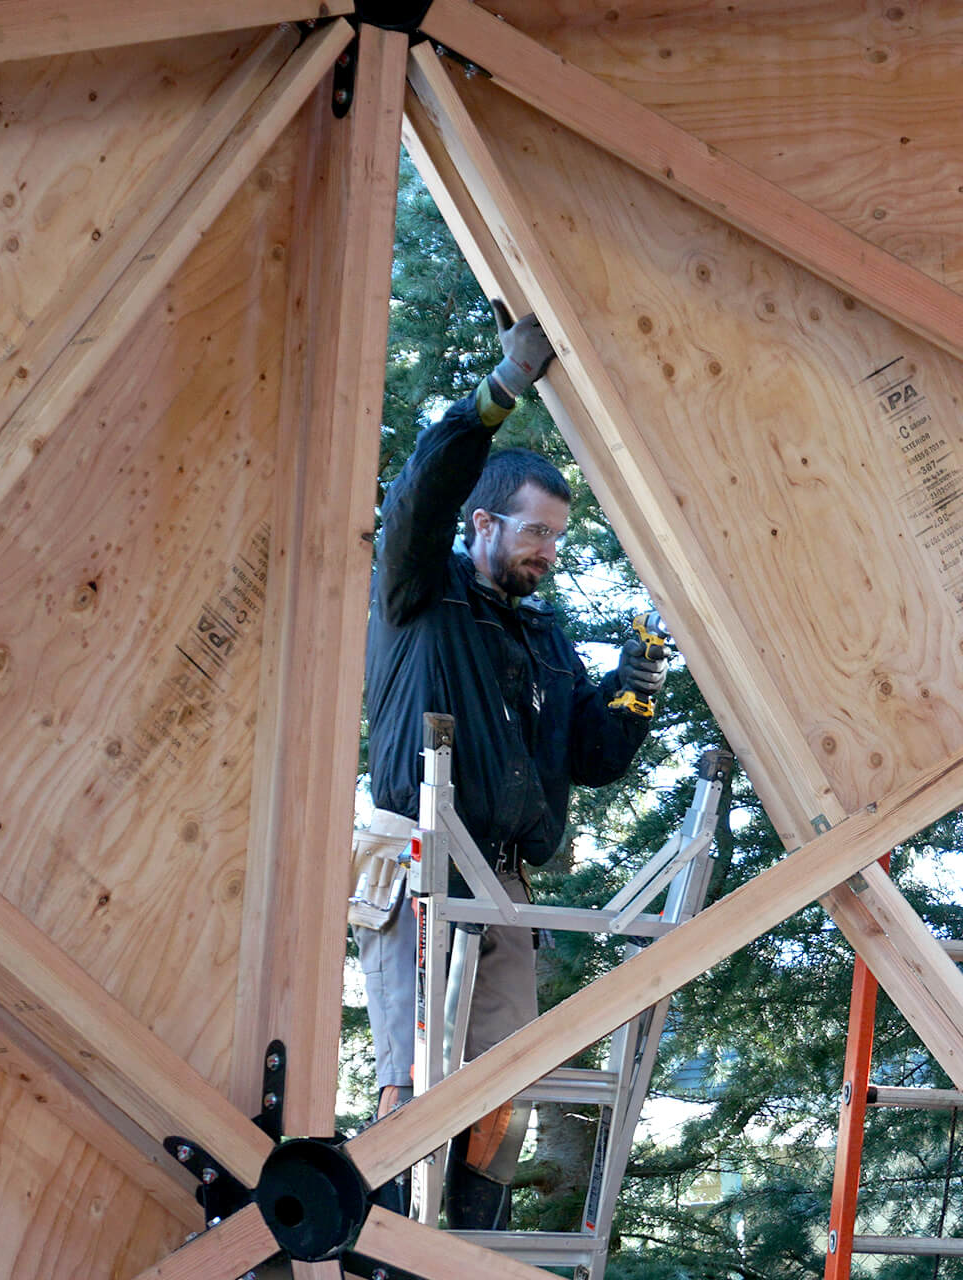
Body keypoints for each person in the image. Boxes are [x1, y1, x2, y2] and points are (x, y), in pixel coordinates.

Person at [352, 309, 667, 1229]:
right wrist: (499, 392)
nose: (548, 552)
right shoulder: (421, 592)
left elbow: (595, 757)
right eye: (535, 533)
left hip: (504, 886)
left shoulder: (546, 637)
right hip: (419, 861)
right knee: (413, 1093)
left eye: (559, 540)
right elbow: (417, 497)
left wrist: (637, 684)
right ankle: (385, 1251)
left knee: (500, 1103)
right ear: (483, 521)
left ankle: (462, 1256)